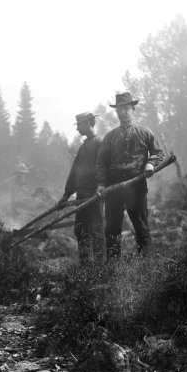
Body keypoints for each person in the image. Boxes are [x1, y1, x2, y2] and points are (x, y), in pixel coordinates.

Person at [95, 91, 164, 258]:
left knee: (141, 226)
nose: (122, 112)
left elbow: (158, 152)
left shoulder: (145, 133)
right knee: (112, 229)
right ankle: (113, 267)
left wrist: (150, 163)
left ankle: (146, 264)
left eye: (125, 109)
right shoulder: (110, 137)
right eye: (119, 110)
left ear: (132, 109)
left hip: (136, 187)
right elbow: (101, 163)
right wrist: (102, 184)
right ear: (116, 112)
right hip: (113, 189)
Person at [59, 112, 104, 263]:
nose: (77, 129)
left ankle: (100, 266)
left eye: (78, 125)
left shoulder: (99, 143)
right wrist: (66, 195)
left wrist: (100, 187)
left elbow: (104, 168)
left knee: (96, 230)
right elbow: (74, 172)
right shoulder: (83, 146)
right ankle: (85, 265)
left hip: (94, 195)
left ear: (87, 123)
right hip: (81, 195)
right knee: (80, 229)